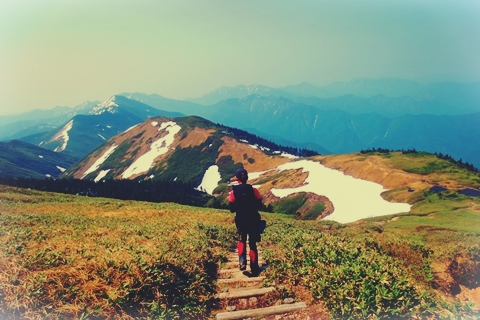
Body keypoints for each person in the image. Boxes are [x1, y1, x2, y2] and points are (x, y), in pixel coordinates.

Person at [228, 168, 263, 275]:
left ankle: (242, 261)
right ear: (247, 178)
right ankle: (254, 267)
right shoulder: (254, 190)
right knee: (252, 243)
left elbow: (231, 208)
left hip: (241, 220)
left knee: (241, 241)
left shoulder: (233, 192)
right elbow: (259, 204)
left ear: (237, 178)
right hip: (253, 220)